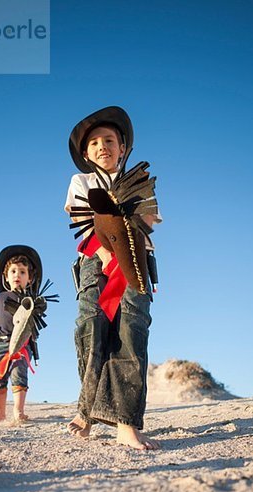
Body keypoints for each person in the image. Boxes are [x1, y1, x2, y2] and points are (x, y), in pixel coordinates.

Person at [65, 106, 162, 450]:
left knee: (131, 331)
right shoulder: (82, 182)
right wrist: (106, 253)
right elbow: (81, 225)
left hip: (135, 258)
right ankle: (87, 409)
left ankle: (126, 422)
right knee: (91, 328)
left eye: (109, 140)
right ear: (86, 154)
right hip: (95, 261)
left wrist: (122, 243)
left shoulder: (140, 180)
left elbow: (147, 221)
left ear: (123, 147)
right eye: (94, 143)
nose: (102, 146)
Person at [0, 244, 43, 424]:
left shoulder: (31, 301)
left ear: (30, 278)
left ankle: (18, 411)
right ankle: (0, 413)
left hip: (22, 344)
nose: (17, 275)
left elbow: (34, 322)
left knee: (19, 375)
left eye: (23, 272)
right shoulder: (0, 297)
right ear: (6, 276)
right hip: (1, 342)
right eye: (13, 271)